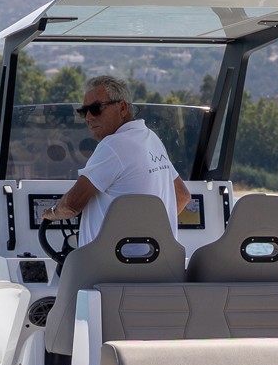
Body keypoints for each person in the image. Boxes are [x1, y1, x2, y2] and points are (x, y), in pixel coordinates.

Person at [39, 75, 189, 246]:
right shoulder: (150, 138)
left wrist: (50, 213)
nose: (88, 117)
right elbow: (182, 196)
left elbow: (72, 205)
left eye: (95, 109)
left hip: (110, 268)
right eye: (83, 111)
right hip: (159, 262)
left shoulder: (113, 145)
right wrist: (147, 236)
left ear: (123, 108)